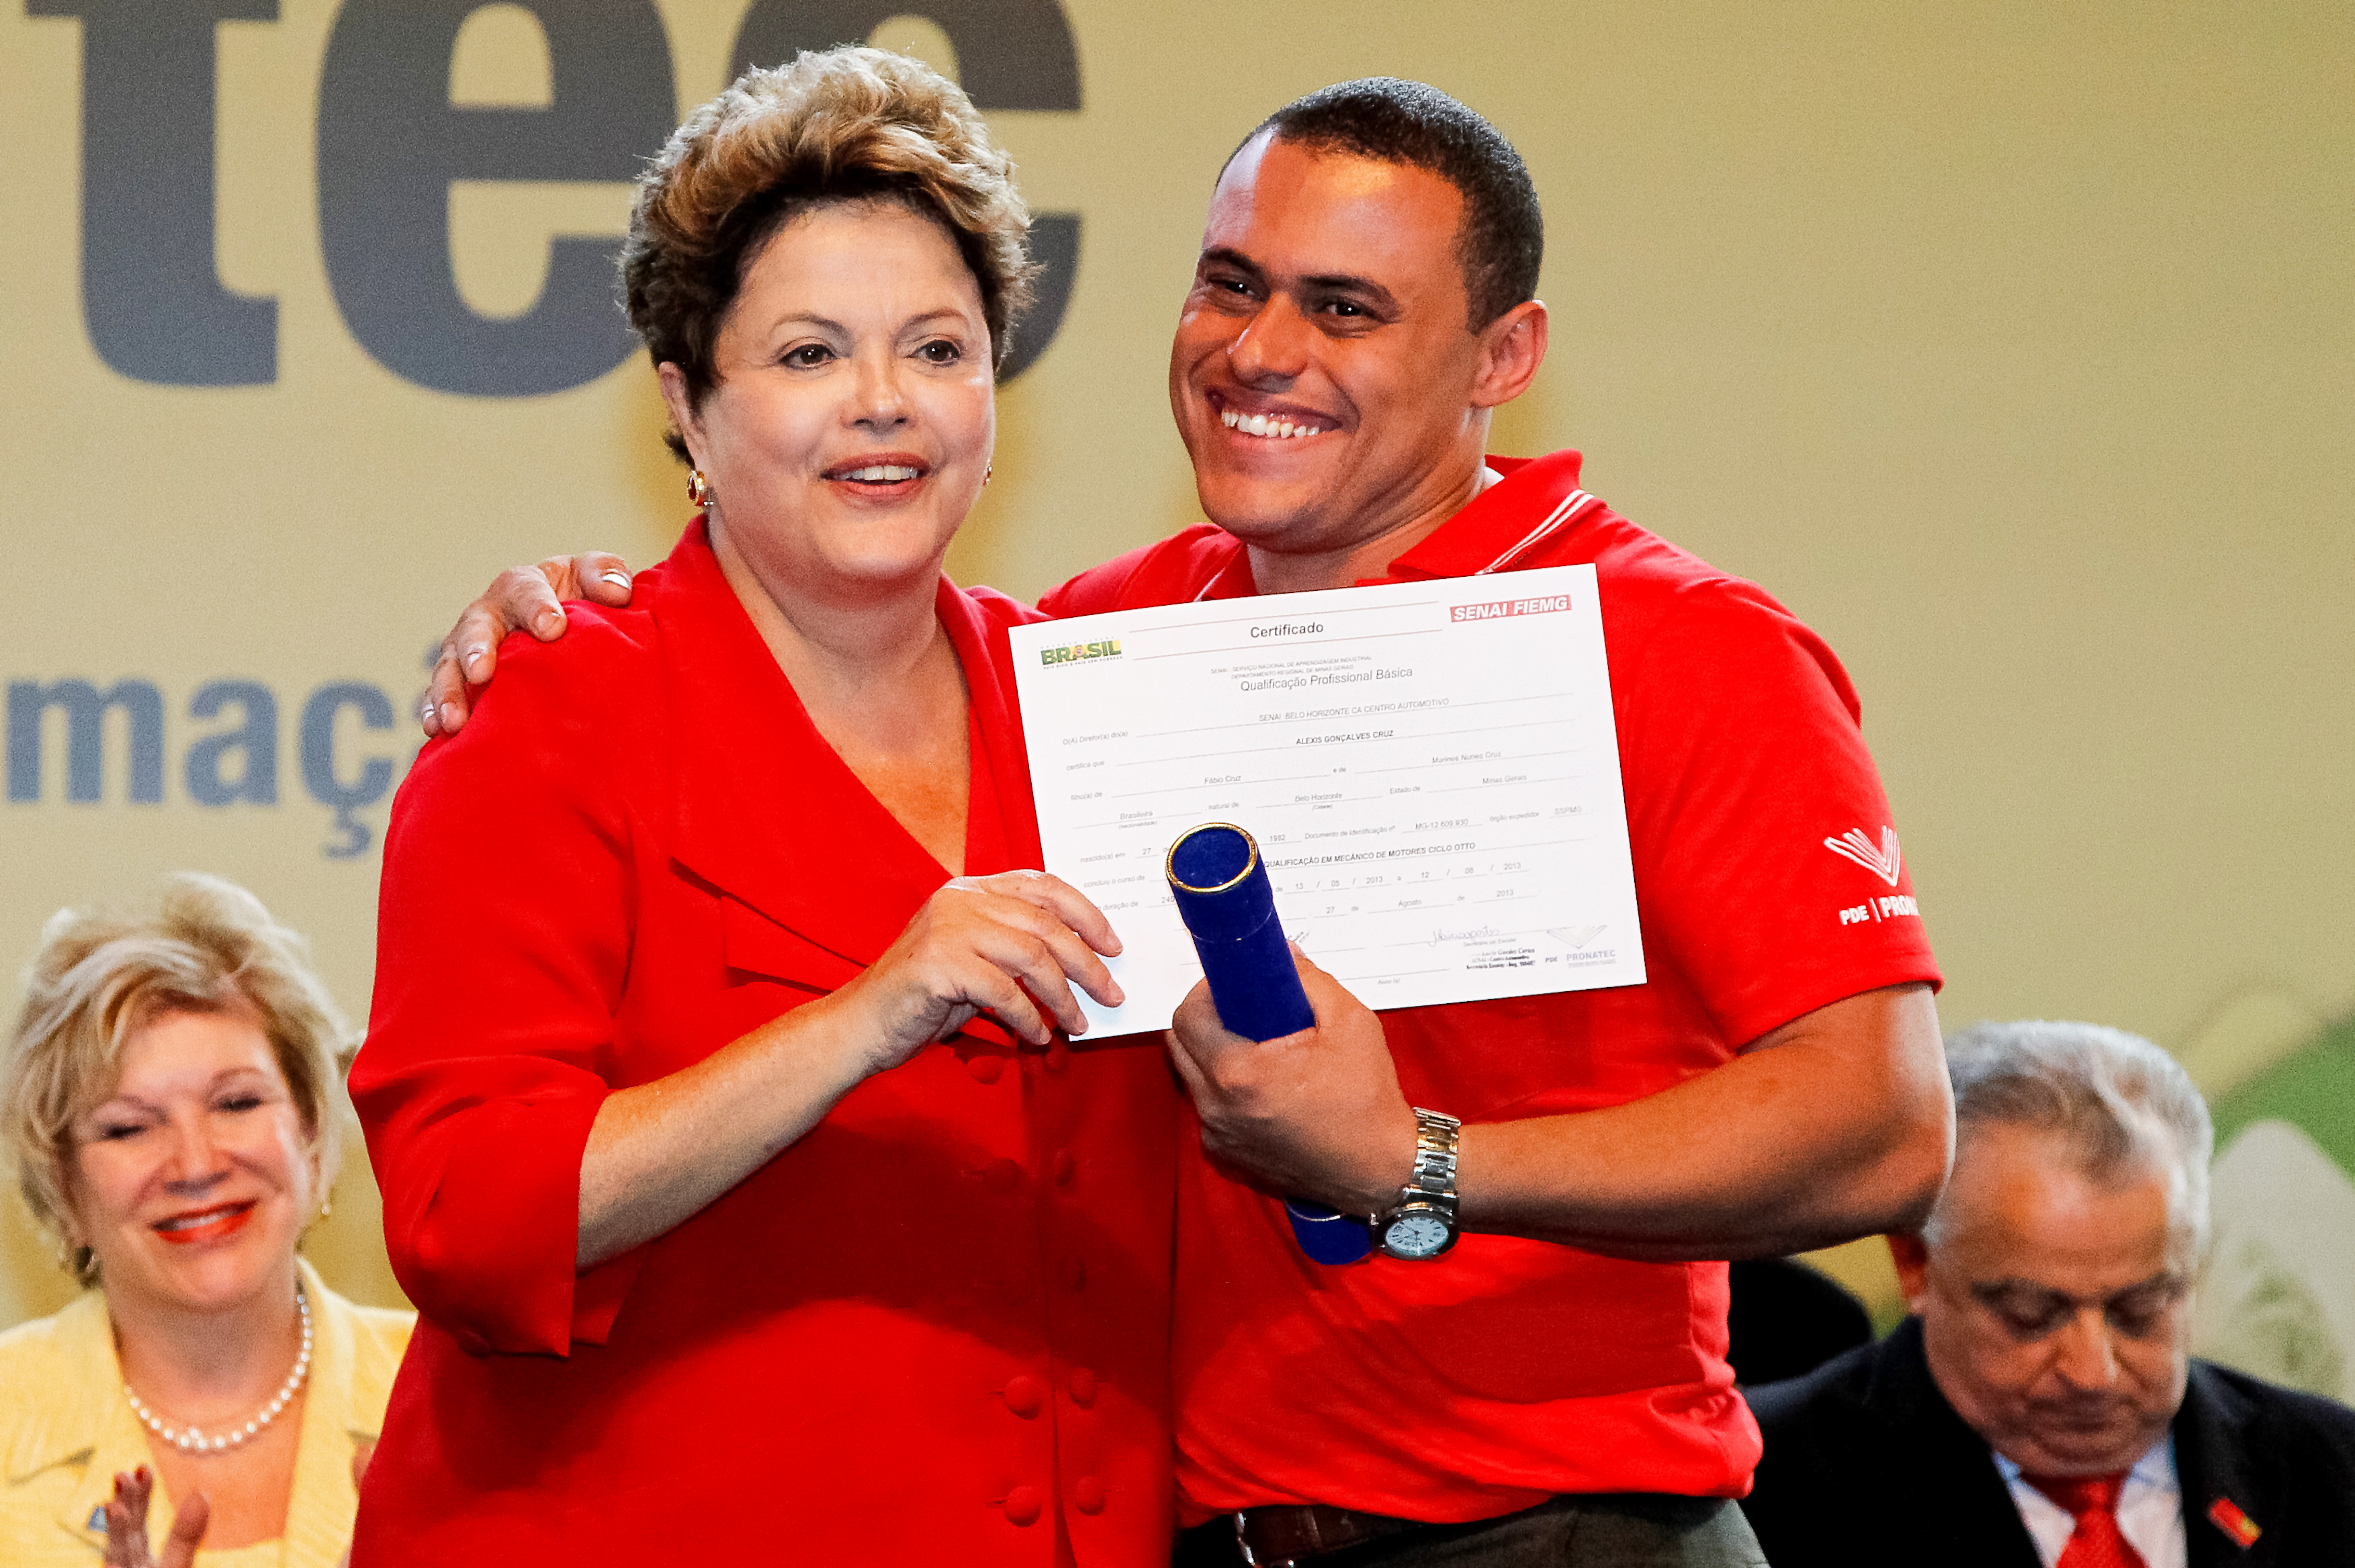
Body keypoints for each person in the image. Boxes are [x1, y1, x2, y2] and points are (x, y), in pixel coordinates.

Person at [425, 77, 1950, 1566]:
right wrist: (549, 616)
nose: (1260, 350)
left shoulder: (1681, 643)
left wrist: (1421, 1163)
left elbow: (1881, 1127)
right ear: (689, 400)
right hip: (1193, 1525)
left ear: (1503, 351)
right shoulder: (1097, 648)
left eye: (1344, 307)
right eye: (1229, 283)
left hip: (1557, 1527)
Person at [347, 48, 1178, 1567]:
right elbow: (462, 1214)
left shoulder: (1090, 699)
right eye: (807, 354)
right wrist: (873, 1008)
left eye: (936, 346)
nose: (881, 403)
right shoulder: (550, 705)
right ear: (687, 400)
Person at [1741, 1020, 2355, 1567]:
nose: (2094, 1373)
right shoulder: (1755, 1493)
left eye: (2140, 1310)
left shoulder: (2333, 1473)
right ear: (1915, 1262)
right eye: (2032, 1315)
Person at [0, 874, 412, 1568]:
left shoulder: (463, 1404)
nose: (195, 1162)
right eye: (129, 1127)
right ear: (64, 1190)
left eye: (236, 1103)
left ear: (310, 1134)